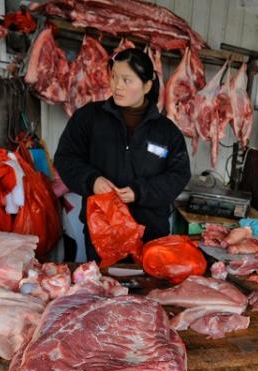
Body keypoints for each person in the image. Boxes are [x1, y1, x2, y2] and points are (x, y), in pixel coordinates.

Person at [54, 47, 191, 261]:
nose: (117, 86)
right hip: (102, 233)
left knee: (146, 293)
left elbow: (178, 175)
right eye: (115, 77)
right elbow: (65, 158)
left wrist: (140, 192)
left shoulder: (167, 132)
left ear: (146, 86)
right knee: (102, 291)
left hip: (150, 236)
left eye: (127, 80)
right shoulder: (89, 118)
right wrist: (92, 181)